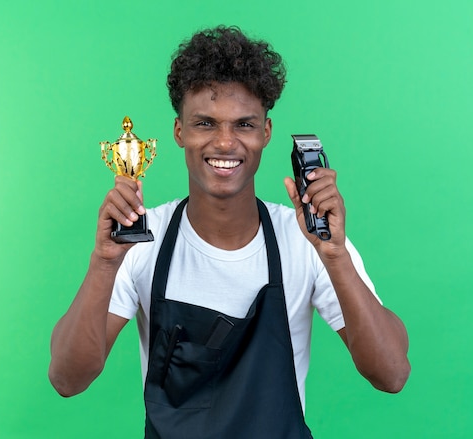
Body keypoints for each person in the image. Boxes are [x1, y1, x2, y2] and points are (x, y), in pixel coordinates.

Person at [49, 25, 410, 438]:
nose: (224, 143)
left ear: (266, 133)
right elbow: (67, 379)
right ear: (179, 132)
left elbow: (392, 373)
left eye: (243, 124)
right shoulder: (141, 241)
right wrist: (102, 264)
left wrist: (336, 257)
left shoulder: (306, 240)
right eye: (205, 123)